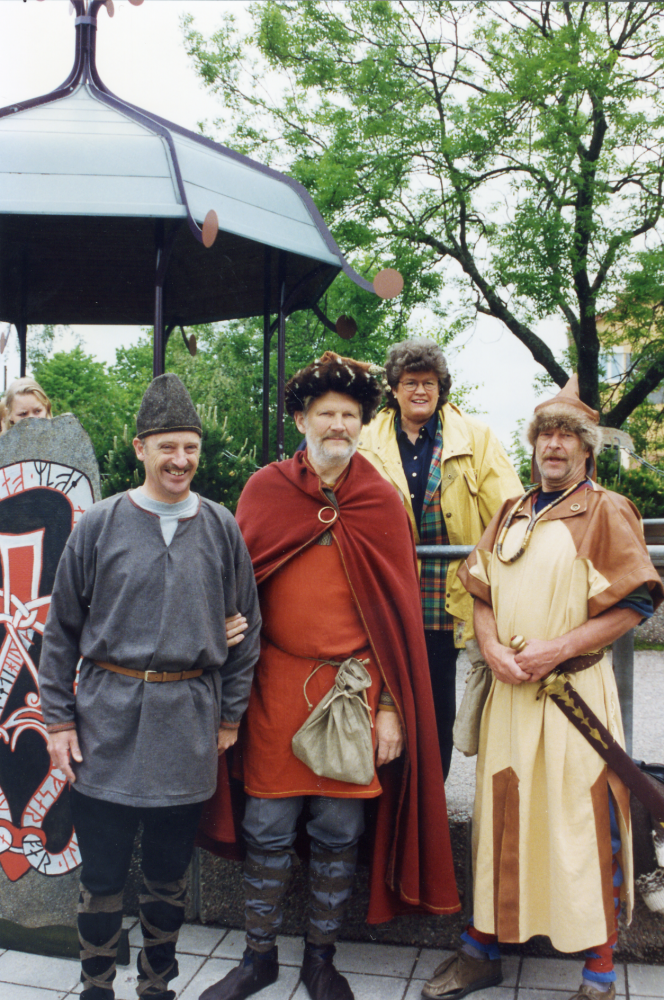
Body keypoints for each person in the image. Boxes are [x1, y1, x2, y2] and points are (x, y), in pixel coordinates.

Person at [201, 352, 459, 1000]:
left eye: (349, 415)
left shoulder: (380, 500)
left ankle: (321, 958)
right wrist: (221, 624)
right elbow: (233, 584)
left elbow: (397, 622)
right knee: (266, 824)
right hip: (274, 689)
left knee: (339, 829)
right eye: (326, 414)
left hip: (355, 693)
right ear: (300, 419)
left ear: (362, 422)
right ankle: (258, 957)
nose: (338, 425)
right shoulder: (264, 490)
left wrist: (393, 707)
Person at [423, 376, 663, 1000]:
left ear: (586, 449)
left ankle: (601, 971)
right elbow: (479, 591)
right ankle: (481, 951)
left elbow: (636, 602)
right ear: (533, 445)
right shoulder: (511, 511)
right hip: (510, 697)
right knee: (499, 818)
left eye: (567, 436)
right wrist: (496, 648)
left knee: (582, 822)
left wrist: (558, 647)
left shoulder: (605, 509)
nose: (553, 445)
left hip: (574, 699)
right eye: (545, 434)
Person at [38, 374, 261, 1000]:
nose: (180, 460)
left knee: (166, 876)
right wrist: (58, 722)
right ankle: (97, 986)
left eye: (190, 447)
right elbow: (60, 635)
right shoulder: (100, 526)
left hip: (187, 725)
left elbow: (250, 632)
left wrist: (230, 717)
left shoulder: (220, 528)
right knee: (103, 875)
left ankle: (157, 985)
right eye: (167, 447)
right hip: (103, 724)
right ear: (140, 448)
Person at [358, 337, 522, 778]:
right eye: (410, 382)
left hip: (444, 595)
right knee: (382, 695)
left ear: (441, 387)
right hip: (385, 589)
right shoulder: (365, 438)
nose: (420, 391)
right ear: (394, 387)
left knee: (433, 704)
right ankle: (385, 809)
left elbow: (509, 510)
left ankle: (430, 801)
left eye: (430, 383)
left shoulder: (476, 438)